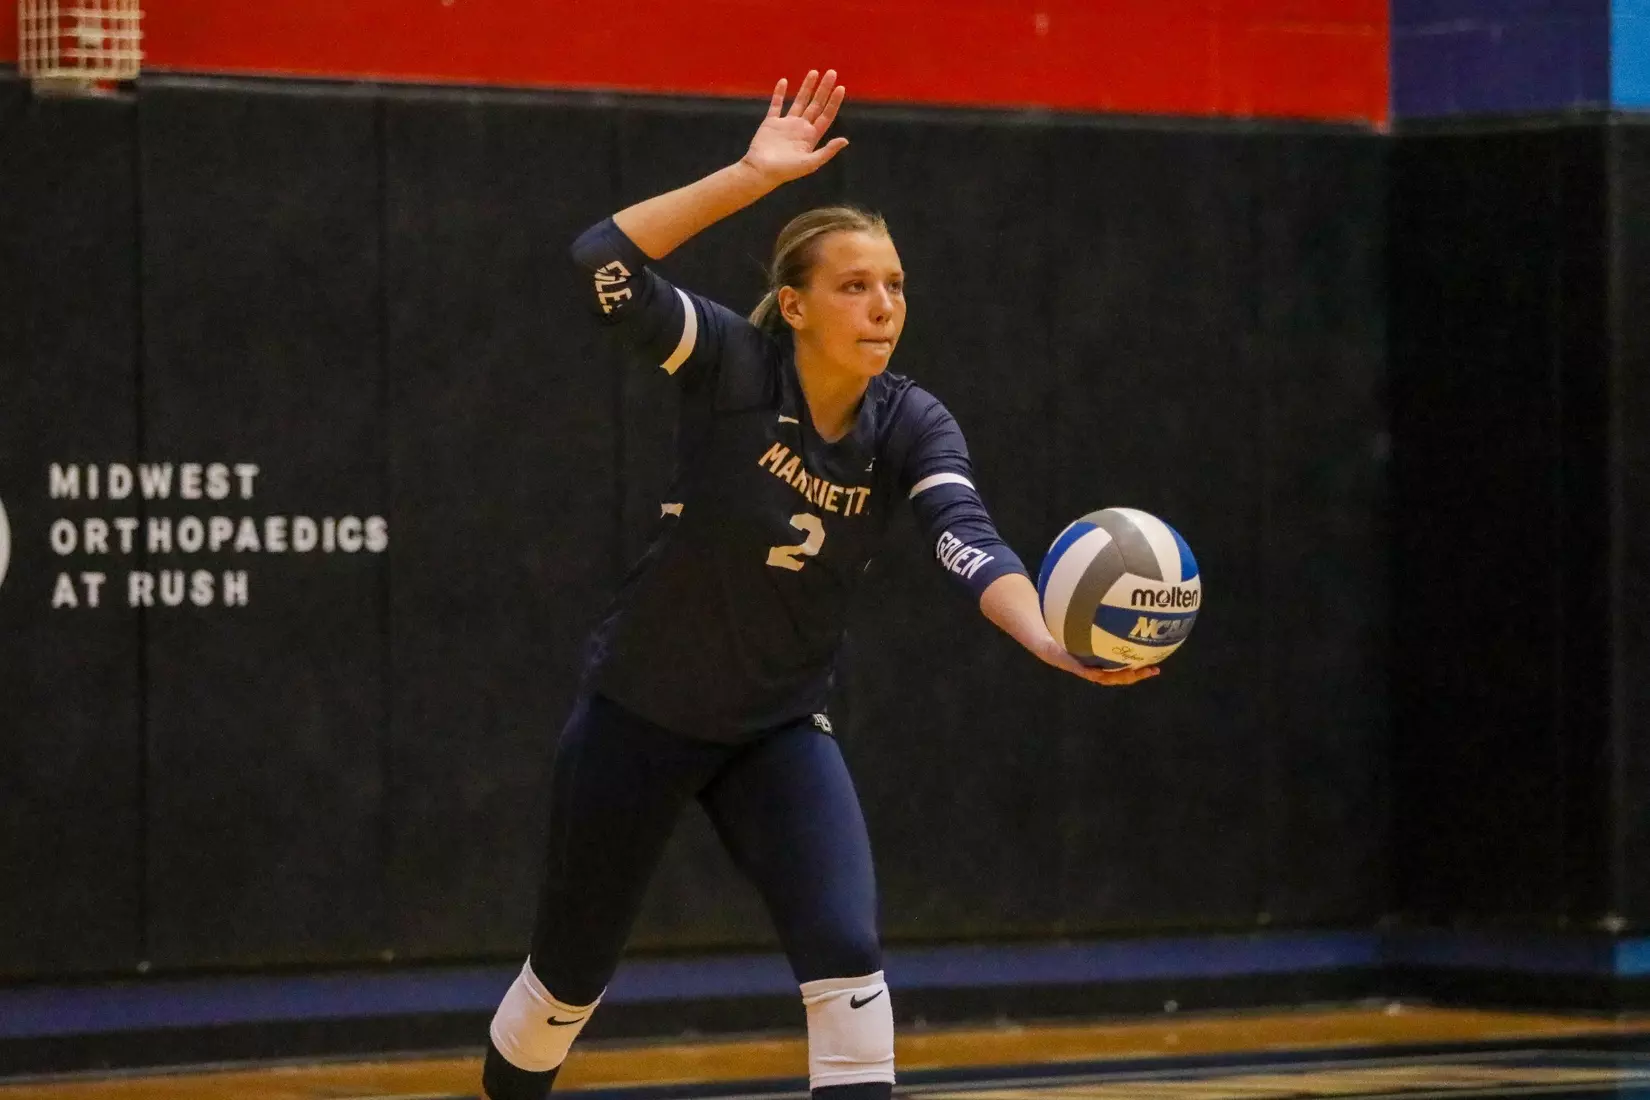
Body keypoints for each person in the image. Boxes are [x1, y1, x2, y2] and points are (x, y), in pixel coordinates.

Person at [481, 69, 1158, 1100]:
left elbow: (966, 537)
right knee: (566, 978)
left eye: (895, 285)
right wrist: (751, 177)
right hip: (639, 715)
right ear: (794, 305)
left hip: (777, 728)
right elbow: (601, 263)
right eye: (854, 286)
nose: (883, 305)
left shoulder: (911, 421)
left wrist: (1046, 637)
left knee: (846, 952)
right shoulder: (733, 363)